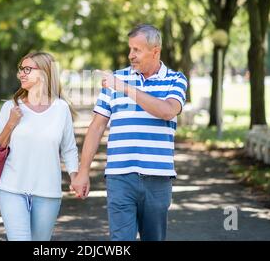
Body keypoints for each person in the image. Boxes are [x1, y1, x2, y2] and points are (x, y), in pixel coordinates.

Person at [71, 24, 188, 241]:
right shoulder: (116, 79)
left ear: (155, 51)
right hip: (120, 176)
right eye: (130, 49)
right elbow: (96, 127)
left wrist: (125, 88)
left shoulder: (176, 79)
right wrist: (83, 171)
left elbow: (167, 111)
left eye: (137, 50)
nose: (130, 55)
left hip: (158, 178)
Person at [0, 51, 79, 241]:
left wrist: (75, 176)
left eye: (27, 69)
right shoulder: (11, 107)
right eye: (20, 69)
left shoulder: (61, 109)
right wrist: (11, 123)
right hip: (12, 189)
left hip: (48, 192)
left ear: (45, 73)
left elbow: (69, 148)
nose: (21, 73)